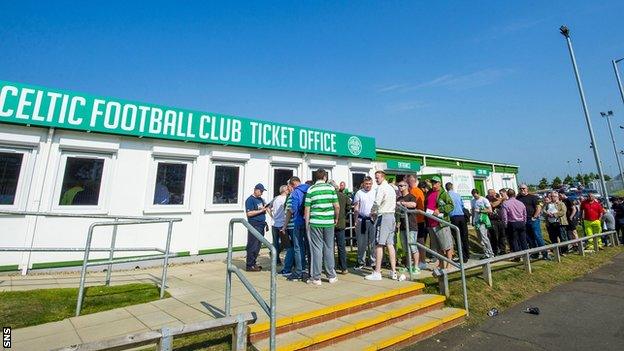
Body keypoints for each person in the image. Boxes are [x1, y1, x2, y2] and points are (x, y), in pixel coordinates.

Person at [304, 169, 340, 285]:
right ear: (325, 177)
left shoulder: (311, 189)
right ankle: (331, 276)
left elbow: (307, 209)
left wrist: (307, 223)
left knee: (316, 250)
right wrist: (336, 218)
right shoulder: (331, 189)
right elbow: (337, 206)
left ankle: (316, 278)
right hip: (329, 222)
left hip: (315, 222)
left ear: (315, 177)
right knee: (329, 248)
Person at [365, 170, 398, 281]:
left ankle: (377, 272)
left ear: (383, 177)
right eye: (375, 177)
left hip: (383, 216)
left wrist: (372, 212)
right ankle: (394, 271)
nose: (376, 179)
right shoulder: (391, 188)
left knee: (379, 244)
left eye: (377, 177)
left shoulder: (381, 188)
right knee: (390, 244)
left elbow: (377, 202)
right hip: (391, 216)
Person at [424, 176, 455, 277]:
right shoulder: (429, 193)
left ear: (440, 183)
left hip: (441, 223)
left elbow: (451, 205)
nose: (434, 185)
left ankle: (449, 264)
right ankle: (441, 263)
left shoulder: (443, 193)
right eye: (433, 183)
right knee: (438, 247)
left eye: (436, 183)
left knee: (447, 245)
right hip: (431, 223)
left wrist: (440, 210)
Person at [282, 176, 310, 280]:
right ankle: (307, 269)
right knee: (307, 247)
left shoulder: (294, 193)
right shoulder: (309, 189)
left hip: (297, 222)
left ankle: (299, 271)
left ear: (293, 184)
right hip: (308, 222)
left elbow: (292, 210)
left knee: (298, 247)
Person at [517, 184, 548, 259]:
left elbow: (538, 207)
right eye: (520, 189)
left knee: (537, 236)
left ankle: (545, 254)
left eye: (524, 188)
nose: (522, 190)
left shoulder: (533, 197)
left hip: (533, 219)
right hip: (524, 220)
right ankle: (535, 253)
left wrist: (534, 217)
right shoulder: (518, 198)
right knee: (530, 238)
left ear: (527, 189)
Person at [396, 180, 420, 275]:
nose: (400, 188)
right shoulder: (399, 198)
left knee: (413, 247)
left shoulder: (411, 196)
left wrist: (402, 204)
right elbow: (397, 212)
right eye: (399, 186)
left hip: (411, 225)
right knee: (405, 248)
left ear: (406, 186)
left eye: (402, 186)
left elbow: (414, 204)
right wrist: (397, 222)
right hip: (402, 226)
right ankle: (408, 265)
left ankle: (416, 266)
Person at [353, 176, 377, 269]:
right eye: (366, 184)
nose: (368, 185)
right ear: (363, 184)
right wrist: (355, 220)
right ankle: (360, 261)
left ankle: (373, 262)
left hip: (372, 220)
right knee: (361, 242)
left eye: (370, 184)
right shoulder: (359, 193)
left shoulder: (375, 192)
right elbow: (356, 207)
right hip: (361, 220)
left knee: (372, 242)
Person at [244, 184, 269, 272]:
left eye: (262, 191)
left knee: (258, 245)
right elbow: (249, 213)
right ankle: (249, 265)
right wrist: (261, 211)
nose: (261, 193)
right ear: (255, 190)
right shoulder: (250, 200)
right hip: (254, 225)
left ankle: (253, 263)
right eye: (260, 191)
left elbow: (264, 208)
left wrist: (267, 208)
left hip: (261, 224)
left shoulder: (261, 199)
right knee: (252, 245)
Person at [407, 175, 428, 270]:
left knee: (418, 241)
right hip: (418, 219)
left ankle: (421, 261)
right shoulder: (416, 191)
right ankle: (420, 261)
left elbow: (414, 205)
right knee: (418, 241)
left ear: (414, 181)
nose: (407, 183)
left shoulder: (415, 191)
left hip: (417, 220)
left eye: (409, 181)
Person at [446, 182, 471, 262]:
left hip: (453, 217)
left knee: (457, 237)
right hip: (461, 216)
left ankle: (462, 257)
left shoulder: (446, 196)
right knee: (464, 236)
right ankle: (467, 254)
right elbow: (462, 206)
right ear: (452, 187)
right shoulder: (458, 195)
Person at [332, 180, 352, 274]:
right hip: (341, 223)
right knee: (341, 246)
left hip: (330, 223)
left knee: (330, 247)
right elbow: (349, 206)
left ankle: (332, 267)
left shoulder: (330, 196)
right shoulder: (344, 196)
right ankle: (344, 267)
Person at [470, 189, 495, 258]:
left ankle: (491, 253)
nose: (475, 197)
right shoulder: (472, 201)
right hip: (476, 221)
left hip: (483, 220)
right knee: (480, 239)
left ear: (478, 193)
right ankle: (486, 253)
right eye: (474, 196)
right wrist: (472, 220)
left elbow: (490, 210)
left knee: (484, 237)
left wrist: (480, 210)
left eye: (476, 195)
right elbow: (472, 211)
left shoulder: (484, 200)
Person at [270, 185, 289, 267]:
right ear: (284, 191)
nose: (288, 190)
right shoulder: (285, 199)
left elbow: (267, 207)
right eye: (287, 189)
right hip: (282, 224)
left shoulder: (275, 198)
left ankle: (276, 260)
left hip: (274, 223)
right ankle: (285, 261)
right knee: (286, 243)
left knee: (275, 242)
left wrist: (272, 216)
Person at [486, 189, 507, 255]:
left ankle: (503, 250)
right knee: (494, 236)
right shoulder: (487, 200)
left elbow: (505, 200)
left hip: (500, 220)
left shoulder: (498, 198)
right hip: (492, 220)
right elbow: (493, 205)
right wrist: (500, 199)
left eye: (494, 193)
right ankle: (495, 250)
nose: (493, 194)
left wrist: (500, 199)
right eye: (491, 193)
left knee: (502, 236)